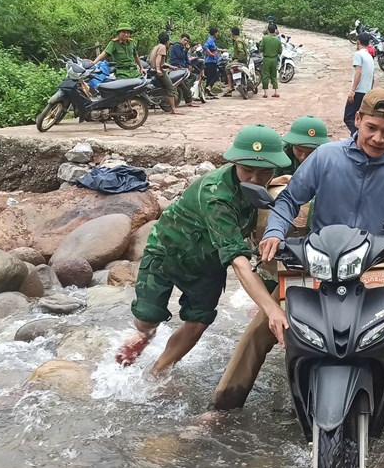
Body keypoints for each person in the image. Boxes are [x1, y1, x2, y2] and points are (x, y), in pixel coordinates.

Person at [210, 88, 384, 419]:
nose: (378, 138)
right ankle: (220, 411)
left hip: (373, 268)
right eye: (372, 128)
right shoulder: (326, 156)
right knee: (260, 332)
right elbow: (289, 201)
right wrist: (273, 233)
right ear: (357, 120)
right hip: (316, 266)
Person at [115, 125, 292, 375]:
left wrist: (273, 182)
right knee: (147, 317)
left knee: (198, 322)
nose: (254, 180)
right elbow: (239, 263)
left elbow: (251, 188)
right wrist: (271, 308)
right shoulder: (215, 196)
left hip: (208, 262)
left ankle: (157, 373)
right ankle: (146, 332)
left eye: (264, 173)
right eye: (247, 171)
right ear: (235, 163)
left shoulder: (257, 182)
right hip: (169, 251)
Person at [271, 115, 330, 182]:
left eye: (310, 153)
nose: (303, 157)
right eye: (299, 150)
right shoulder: (280, 153)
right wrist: (284, 179)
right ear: (292, 145)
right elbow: (261, 186)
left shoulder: (328, 157)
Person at [343, 32, 375, 135]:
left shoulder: (358, 54)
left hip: (358, 91)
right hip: (367, 92)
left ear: (358, 42)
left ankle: (358, 136)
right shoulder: (370, 57)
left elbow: (358, 73)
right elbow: (372, 76)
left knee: (348, 118)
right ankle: (357, 136)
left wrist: (352, 91)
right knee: (360, 117)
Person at [149, 31, 178, 115]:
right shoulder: (163, 47)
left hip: (152, 70)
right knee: (170, 88)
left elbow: (162, 62)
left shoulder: (156, 46)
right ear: (167, 41)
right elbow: (159, 58)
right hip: (158, 71)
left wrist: (171, 67)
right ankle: (173, 109)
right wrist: (158, 69)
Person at [169, 33, 198, 107]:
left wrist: (189, 64)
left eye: (187, 41)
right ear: (181, 39)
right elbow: (180, 56)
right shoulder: (176, 46)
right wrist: (186, 49)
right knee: (183, 83)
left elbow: (186, 58)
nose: (186, 42)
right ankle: (188, 99)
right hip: (177, 66)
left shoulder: (183, 47)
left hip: (183, 67)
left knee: (193, 77)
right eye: (184, 40)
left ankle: (187, 92)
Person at [258, 24, 283, 98]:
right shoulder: (277, 40)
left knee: (265, 75)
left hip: (266, 59)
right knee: (274, 75)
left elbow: (261, 49)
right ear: (275, 30)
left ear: (268, 30)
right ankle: (276, 92)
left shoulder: (265, 38)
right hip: (274, 59)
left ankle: (265, 93)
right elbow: (280, 51)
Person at [223, 26, 249, 97]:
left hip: (240, 60)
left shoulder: (238, 41)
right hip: (240, 59)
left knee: (227, 68)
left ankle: (230, 86)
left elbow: (241, 52)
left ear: (232, 33)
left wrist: (238, 59)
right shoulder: (239, 39)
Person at [203, 26, 221, 98]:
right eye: (217, 33)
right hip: (210, 61)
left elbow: (214, 49)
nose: (218, 34)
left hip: (213, 61)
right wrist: (210, 53)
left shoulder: (212, 41)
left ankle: (207, 91)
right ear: (215, 33)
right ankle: (208, 88)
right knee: (215, 76)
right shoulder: (210, 40)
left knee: (210, 77)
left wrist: (221, 50)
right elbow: (205, 46)